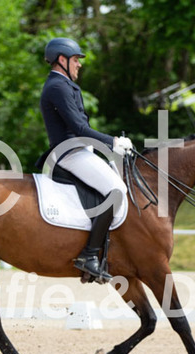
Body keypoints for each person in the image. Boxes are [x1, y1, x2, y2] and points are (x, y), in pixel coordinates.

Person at [37, 37, 132, 283]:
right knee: (116, 190)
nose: (79, 64)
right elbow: (79, 129)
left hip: (81, 150)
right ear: (62, 59)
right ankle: (89, 255)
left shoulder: (65, 85)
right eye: (76, 60)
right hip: (70, 152)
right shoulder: (57, 87)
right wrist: (113, 142)